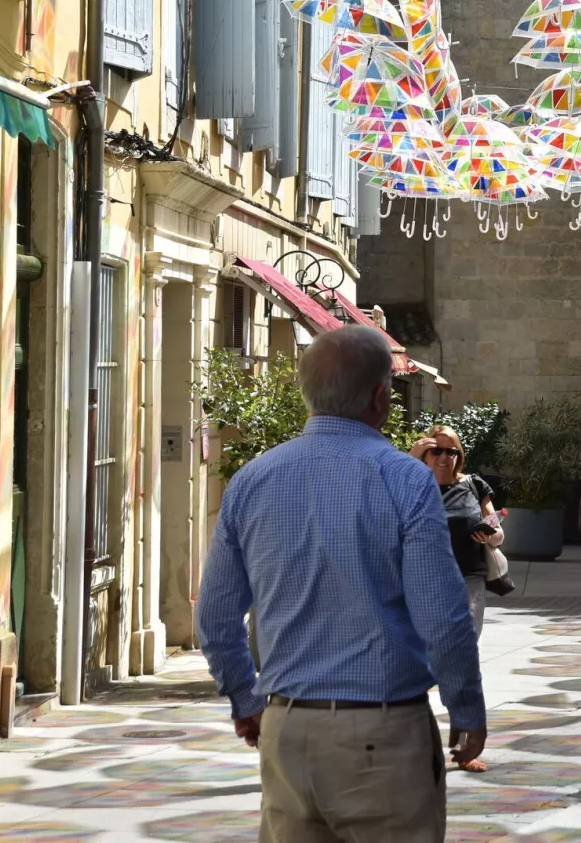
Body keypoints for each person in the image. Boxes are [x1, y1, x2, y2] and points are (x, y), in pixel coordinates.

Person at [197, 325, 484, 843]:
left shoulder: (252, 480)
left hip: (286, 727)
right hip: (382, 732)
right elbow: (441, 613)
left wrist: (246, 699)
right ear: (381, 396)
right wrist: (465, 707)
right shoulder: (404, 479)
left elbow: (216, 617)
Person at [411, 426, 499, 772]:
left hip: (467, 580)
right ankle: (416, 744)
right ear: (424, 454)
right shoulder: (412, 485)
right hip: (420, 582)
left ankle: (465, 747)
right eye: (437, 451)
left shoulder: (473, 485)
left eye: (452, 452)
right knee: (419, 663)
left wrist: (493, 533)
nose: (445, 458)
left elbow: (494, 522)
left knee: (462, 661)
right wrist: (411, 460)